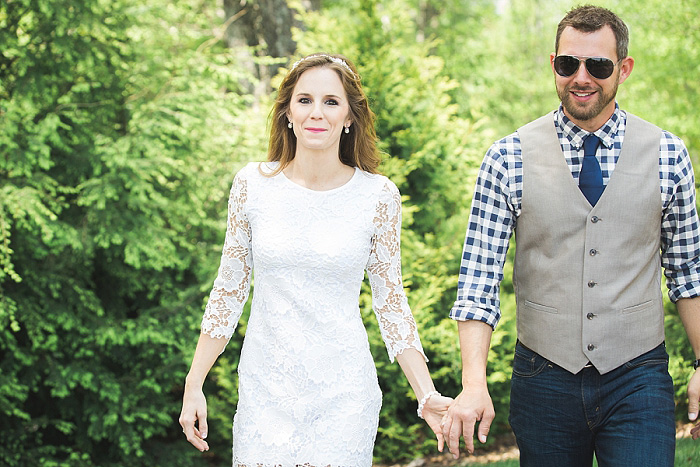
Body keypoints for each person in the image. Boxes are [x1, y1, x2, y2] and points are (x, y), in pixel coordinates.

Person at [440, 5, 700, 466]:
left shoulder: (668, 154)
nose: (581, 77)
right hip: (543, 377)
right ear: (555, 64)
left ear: (624, 68)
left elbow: (688, 274)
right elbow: (478, 281)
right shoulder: (508, 157)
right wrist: (473, 381)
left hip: (638, 374)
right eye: (567, 64)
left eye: (597, 66)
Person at [178, 53, 452, 467]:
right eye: (304, 100)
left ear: (349, 117)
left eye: (331, 101)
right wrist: (193, 382)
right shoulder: (251, 185)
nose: (316, 113)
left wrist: (426, 393)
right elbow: (228, 293)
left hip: (343, 393)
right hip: (266, 389)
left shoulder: (378, 197)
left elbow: (391, 303)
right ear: (288, 111)